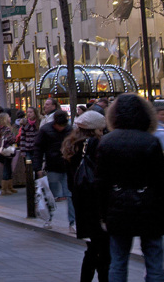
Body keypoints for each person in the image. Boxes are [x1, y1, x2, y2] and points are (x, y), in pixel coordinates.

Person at [97, 94, 164, 282]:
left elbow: (101, 183)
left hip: (118, 207)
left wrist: (102, 215)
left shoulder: (107, 142)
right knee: (155, 264)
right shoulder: (150, 141)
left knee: (118, 263)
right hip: (150, 207)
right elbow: (163, 182)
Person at [62, 110, 109, 282]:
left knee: (93, 247)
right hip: (96, 202)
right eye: (101, 129)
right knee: (103, 249)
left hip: (81, 200)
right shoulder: (96, 145)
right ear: (95, 129)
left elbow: (70, 179)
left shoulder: (71, 144)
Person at [33, 110, 75, 232]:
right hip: (52, 166)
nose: (61, 128)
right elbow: (38, 149)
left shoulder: (69, 130)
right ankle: (48, 218)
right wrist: (38, 167)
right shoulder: (46, 130)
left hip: (67, 166)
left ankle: (72, 222)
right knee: (50, 194)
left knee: (70, 194)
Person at [0, 112, 17, 195]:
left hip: (0, 150)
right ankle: (6, 188)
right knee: (7, 168)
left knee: (7, 167)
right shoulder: (6, 129)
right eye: (9, 117)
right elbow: (10, 139)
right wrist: (14, 138)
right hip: (7, 150)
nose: (10, 119)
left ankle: (8, 187)